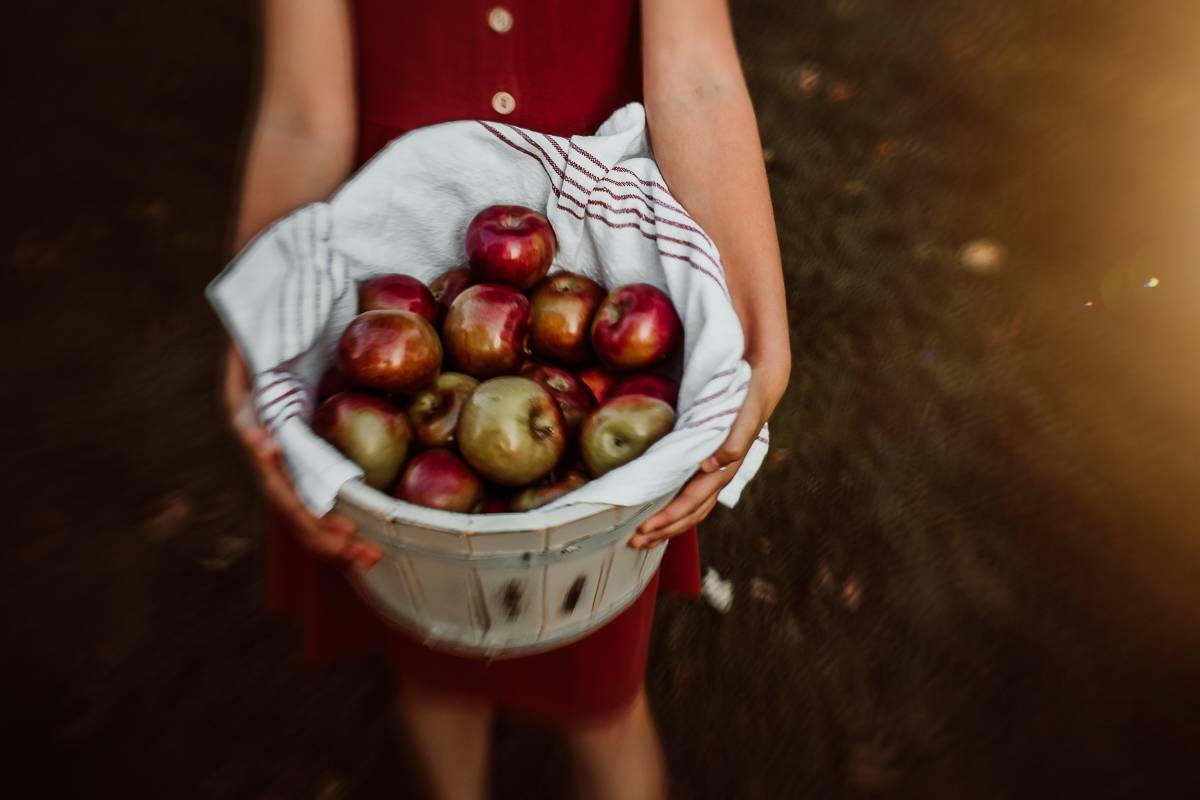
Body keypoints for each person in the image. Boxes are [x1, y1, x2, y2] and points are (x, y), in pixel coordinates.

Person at [223, 2, 790, 798]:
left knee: (602, 702)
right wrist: (263, 320)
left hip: (586, 228)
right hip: (396, 237)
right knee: (431, 664)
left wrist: (763, 331)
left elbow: (697, 80)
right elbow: (302, 115)